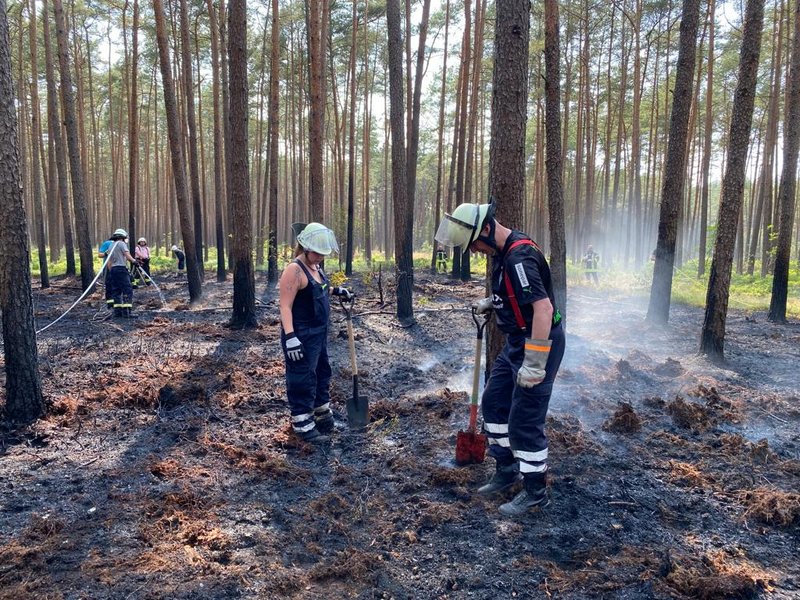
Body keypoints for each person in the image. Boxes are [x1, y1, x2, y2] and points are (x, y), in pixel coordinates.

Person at [435, 201, 565, 517]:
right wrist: (493, 302)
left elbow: (543, 309)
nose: (477, 251)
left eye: (476, 244)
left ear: (488, 230)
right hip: (516, 341)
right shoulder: (505, 253)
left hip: (538, 343)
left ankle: (535, 491)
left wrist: (535, 361)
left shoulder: (519, 258)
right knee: (493, 403)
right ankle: (507, 469)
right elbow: (517, 295)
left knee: (525, 419)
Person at [278, 222, 353, 444]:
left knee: (322, 373)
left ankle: (322, 415)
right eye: (317, 252)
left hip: (319, 334)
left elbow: (316, 289)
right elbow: (285, 306)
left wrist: (336, 290)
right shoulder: (294, 270)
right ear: (305, 247)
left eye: (323, 253)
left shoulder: (315, 267)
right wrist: (291, 338)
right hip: (301, 335)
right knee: (303, 377)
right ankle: (303, 425)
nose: (320, 257)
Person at [105, 228, 139, 318]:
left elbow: (109, 262)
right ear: (122, 237)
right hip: (121, 269)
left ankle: (118, 312)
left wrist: (111, 270)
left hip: (113, 270)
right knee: (127, 290)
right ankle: (127, 312)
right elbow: (127, 255)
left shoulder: (111, 246)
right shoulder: (121, 243)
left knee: (116, 290)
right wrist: (134, 261)